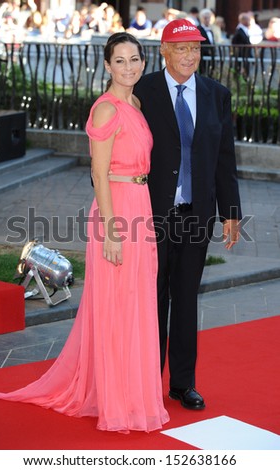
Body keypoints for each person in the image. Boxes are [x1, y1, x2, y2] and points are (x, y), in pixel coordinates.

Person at [0, 32, 169, 434]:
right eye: (120, 61)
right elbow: (98, 175)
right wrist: (110, 231)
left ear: (143, 61)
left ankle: (132, 393)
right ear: (107, 66)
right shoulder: (106, 110)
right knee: (118, 306)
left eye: (135, 59)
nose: (129, 67)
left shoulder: (135, 102)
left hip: (139, 204)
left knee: (137, 302)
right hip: (117, 210)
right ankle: (117, 400)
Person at [134, 19, 242, 411]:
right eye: (181, 48)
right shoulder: (141, 91)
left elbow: (224, 158)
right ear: (164, 50)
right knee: (152, 300)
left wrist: (231, 212)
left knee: (185, 298)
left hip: (197, 215)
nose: (190, 55)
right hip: (150, 214)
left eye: (195, 48)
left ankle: (182, 384)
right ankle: (146, 381)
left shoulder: (217, 94)